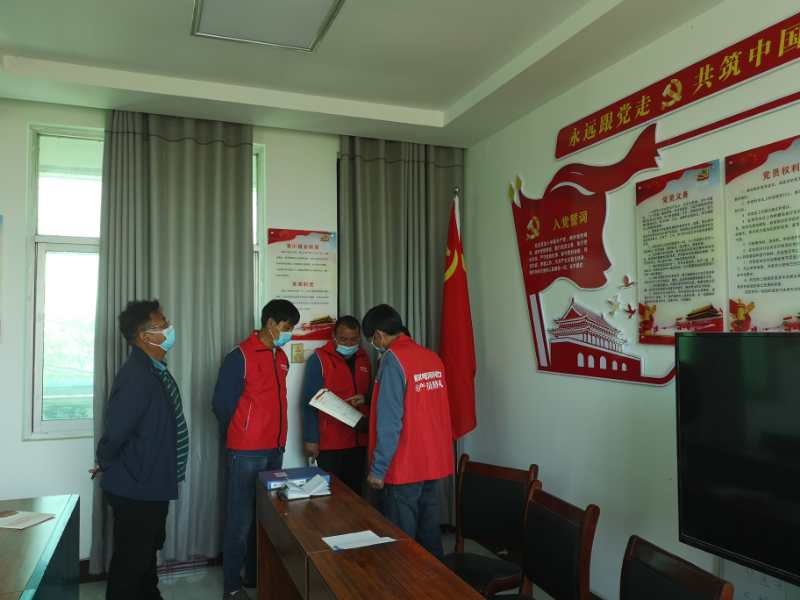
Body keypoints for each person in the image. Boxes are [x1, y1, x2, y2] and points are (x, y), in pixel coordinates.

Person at [93, 300, 188, 600]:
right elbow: (116, 431)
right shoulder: (137, 376)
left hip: (152, 481)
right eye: (163, 324)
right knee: (130, 565)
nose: (170, 328)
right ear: (146, 336)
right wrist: (105, 461)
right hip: (137, 486)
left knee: (145, 557)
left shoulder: (154, 369)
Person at [212, 299, 300, 600]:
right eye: (287, 327)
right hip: (247, 450)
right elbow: (221, 404)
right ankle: (232, 587)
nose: (289, 334)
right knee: (240, 521)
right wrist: (242, 433)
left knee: (267, 518)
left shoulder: (281, 357)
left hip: (275, 448)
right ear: (270, 323)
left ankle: (255, 574)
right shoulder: (240, 356)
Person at [362, 304, 454, 558]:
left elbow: (390, 421)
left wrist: (378, 468)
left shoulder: (393, 361)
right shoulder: (431, 357)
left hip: (404, 464)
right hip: (432, 460)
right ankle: (436, 580)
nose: (374, 344)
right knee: (429, 533)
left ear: (379, 335)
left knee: (401, 539)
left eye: (371, 340)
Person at [302, 315, 372, 493]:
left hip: (358, 440)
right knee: (331, 494)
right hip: (331, 441)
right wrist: (311, 439)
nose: (348, 343)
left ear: (360, 337)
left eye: (353, 339)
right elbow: (309, 401)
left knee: (355, 493)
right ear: (334, 336)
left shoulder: (364, 358)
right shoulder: (319, 359)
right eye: (343, 339)